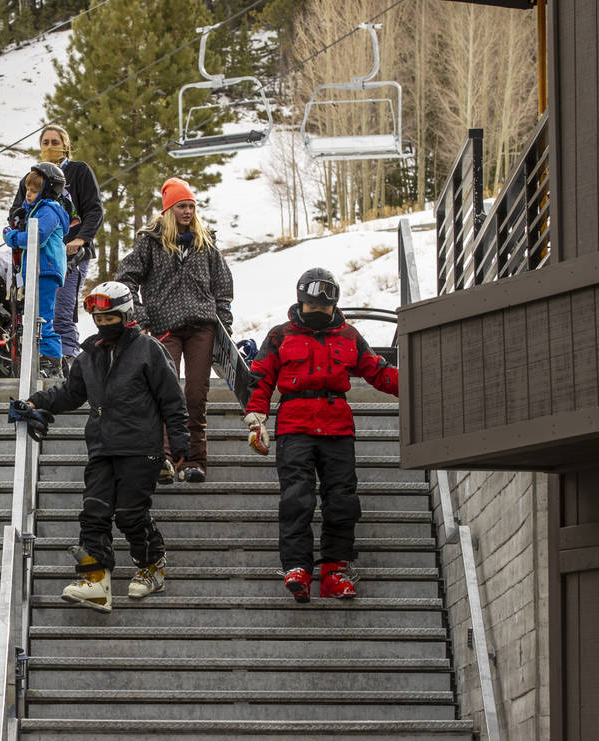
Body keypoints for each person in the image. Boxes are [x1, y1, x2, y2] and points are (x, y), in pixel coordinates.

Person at [10, 282, 188, 613]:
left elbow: (172, 400)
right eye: (98, 318)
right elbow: (69, 393)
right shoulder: (89, 355)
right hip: (102, 448)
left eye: (110, 317)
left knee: (130, 514)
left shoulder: (149, 350)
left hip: (140, 447)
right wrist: (33, 402)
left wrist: (179, 442)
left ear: (127, 315)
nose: (104, 324)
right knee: (94, 512)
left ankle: (152, 567)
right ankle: (96, 581)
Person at [243, 268, 399, 602]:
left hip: (338, 429)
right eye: (314, 308)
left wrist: (419, 383)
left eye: (325, 309)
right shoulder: (279, 336)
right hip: (294, 427)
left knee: (342, 502)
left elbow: (378, 372)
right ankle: (297, 568)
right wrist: (257, 417)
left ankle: (334, 572)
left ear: (334, 305)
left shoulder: (350, 336)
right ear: (301, 302)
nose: (319, 314)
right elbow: (259, 379)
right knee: (296, 499)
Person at [116, 177, 233, 485]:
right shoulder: (149, 242)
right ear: (169, 210)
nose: (188, 212)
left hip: (201, 328)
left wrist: (224, 323)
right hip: (164, 328)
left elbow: (223, 285)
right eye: (182, 206)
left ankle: (194, 460)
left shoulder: (205, 242)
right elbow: (126, 278)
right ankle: (165, 459)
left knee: (195, 394)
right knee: (166, 395)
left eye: (192, 206)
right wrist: (141, 317)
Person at [9, 125, 105, 374]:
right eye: (46, 142)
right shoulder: (31, 178)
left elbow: (94, 209)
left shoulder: (79, 171)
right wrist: (15, 232)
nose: (50, 147)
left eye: (55, 142)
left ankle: (68, 359)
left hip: (69, 253)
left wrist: (81, 239)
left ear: (66, 145)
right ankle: (40, 360)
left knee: (61, 309)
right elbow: (16, 210)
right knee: (35, 311)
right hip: (36, 257)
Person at [3, 162, 71, 378]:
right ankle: (40, 358)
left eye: (34, 190)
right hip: (35, 272)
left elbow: (37, 238)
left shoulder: (49, 210)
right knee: (33, 317)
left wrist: (11, 237)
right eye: (28, 190)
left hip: (46, 271)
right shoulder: (36, 210)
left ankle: (52, 362)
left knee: (42, 317)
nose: (29, 194)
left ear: (47, 190)